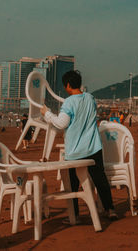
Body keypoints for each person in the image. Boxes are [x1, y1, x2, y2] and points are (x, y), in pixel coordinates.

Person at [40, 70, 117, 221]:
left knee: (72, 184)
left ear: (68, 85)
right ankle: (110, 209)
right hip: (93, 146)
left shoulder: (69, 102)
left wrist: (47, 114)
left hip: (75, 151)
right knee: (100, 180)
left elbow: (62, 123)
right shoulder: (90, 98)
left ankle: (74, 215)